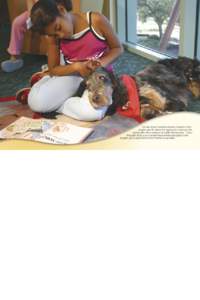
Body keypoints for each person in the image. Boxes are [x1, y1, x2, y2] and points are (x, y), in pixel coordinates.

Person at [26, 0, 123, 121]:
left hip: (99, 77)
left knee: (94, 113)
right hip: (73, 75)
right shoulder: (52, 37)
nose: (60, 35)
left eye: (58, 28)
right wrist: (76, 67)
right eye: (54, 34)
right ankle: (45, 83)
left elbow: (118, 48)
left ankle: (56, 103)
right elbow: (54, 69)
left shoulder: (96, 20)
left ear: (62, 10)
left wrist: (100, 64)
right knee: (35, 103)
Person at [1, 0, 38, 72]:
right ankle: (15, 58)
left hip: (51, 10)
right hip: (35, 11)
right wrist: (31, 16)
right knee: (17, 22)